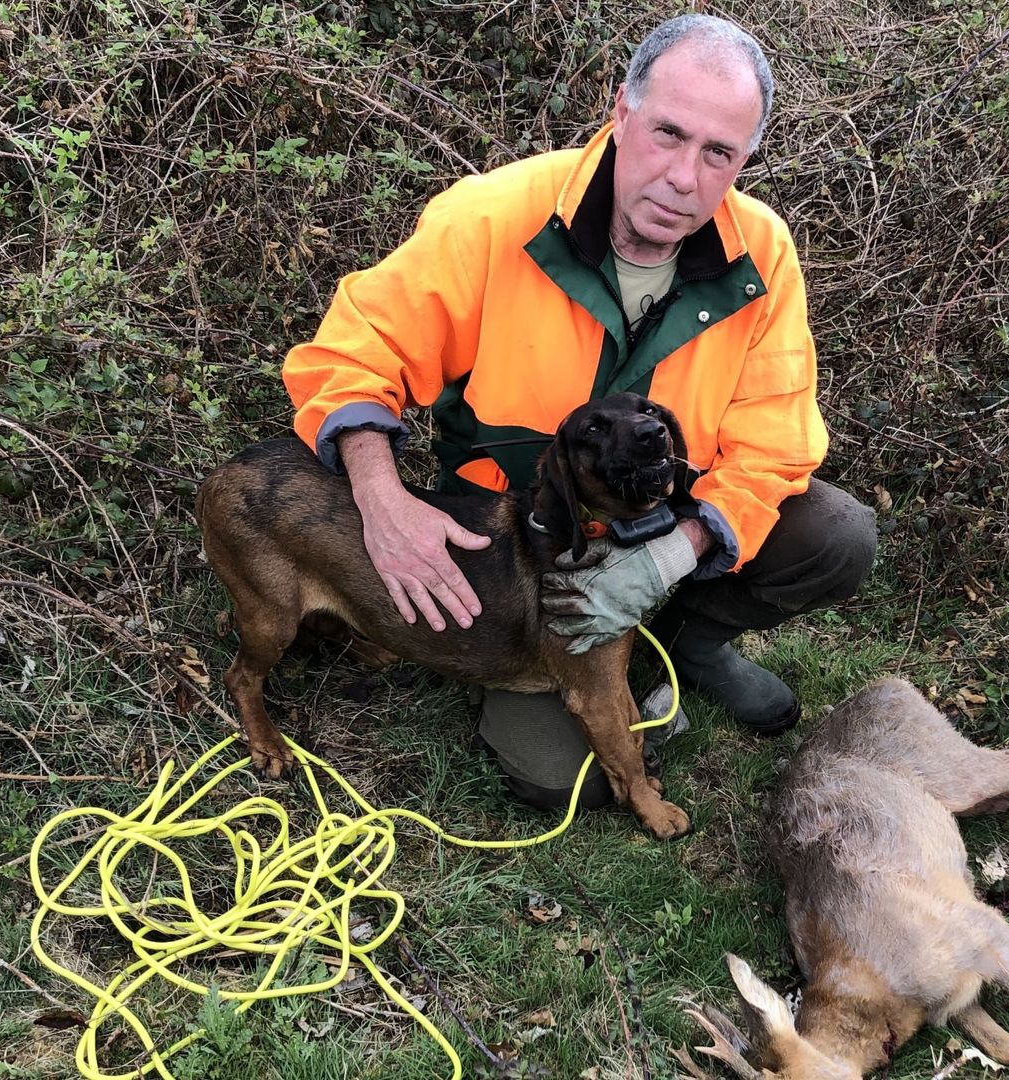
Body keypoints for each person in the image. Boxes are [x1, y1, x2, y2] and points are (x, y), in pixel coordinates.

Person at [281, 14, 877, 808]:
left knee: (837, 536)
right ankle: (565, 653)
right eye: (668, 133)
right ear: (621, 113)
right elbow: (355, 353)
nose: (684, 178)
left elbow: (776, 440)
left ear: (745, 160)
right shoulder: (493, 216)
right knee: (563, 780)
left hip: (667, 521)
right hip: (524, 546)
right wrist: (382, 501)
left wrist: (675, 552)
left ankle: (684, 642)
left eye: (719, 155)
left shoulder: (762, 252)